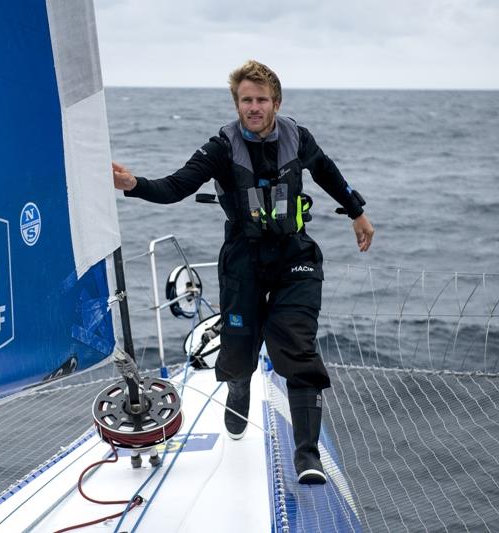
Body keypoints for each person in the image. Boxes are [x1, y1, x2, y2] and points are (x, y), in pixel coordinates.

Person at [112, 60, 374, 485]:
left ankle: (306, 455)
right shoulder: (220, 147)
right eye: (246, 100)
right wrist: (134, 184)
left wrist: (357, 213)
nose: (254, 107)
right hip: (243, 261)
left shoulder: (298, 137)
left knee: (298, 347)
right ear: (237, 103)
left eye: (261, 100)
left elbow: (327, 172)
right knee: (238, 355)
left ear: (277, 102)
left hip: (295, 256)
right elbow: (177, 186)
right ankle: (239, 386)